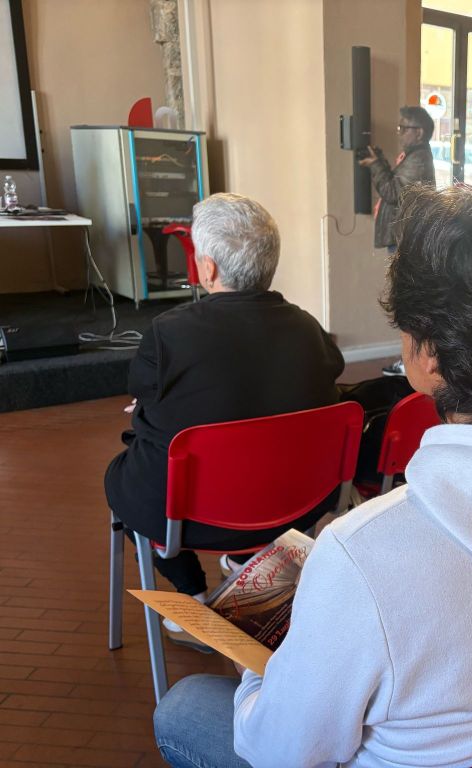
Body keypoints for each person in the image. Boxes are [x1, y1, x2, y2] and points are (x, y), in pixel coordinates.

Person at [152, 183, 472, 768]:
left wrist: (262, 662)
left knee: (184, 708)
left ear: (428, 356)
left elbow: (280, 753)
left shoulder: (363, 557)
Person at [105, 193, 345, 647]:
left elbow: (146, 398)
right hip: (296, 501)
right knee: (254, 444)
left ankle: (192, 593)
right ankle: (244, 561)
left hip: (193, 517)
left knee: (130, 477)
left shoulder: (168, 333)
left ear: (208, 268)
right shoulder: (309, 328)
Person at [359, 105, 436, 378]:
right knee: (405, 299)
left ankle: (411, 363)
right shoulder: (414, 156)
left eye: (405, 128)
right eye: (400, 127)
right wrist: (379, 161)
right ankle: (410, 360)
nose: (400, 132)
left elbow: (393, 191)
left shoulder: (419, 159)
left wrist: (376, 165)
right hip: (404, 236)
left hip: (407, 238)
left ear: (420, 132)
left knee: (407, 301)